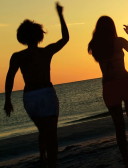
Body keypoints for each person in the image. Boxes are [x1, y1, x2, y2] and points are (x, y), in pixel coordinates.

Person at [3, 2, 69, 167]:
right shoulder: (45, 52)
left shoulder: (17, 56)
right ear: (39, 35)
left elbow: (9, 78)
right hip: (46, 94)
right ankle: (49, 162)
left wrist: (8, 100)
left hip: (30, 97)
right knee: (51, 134)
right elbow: (65, 38)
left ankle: (42, 157)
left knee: (43, 130)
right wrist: (61, 15)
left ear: (22, 37)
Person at [88, 16, 128, 168]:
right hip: (124, 81)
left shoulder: (94, 45)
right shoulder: (119, 41)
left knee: (118, 126)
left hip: (109, 86)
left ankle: (126, 160)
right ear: (112, 28)